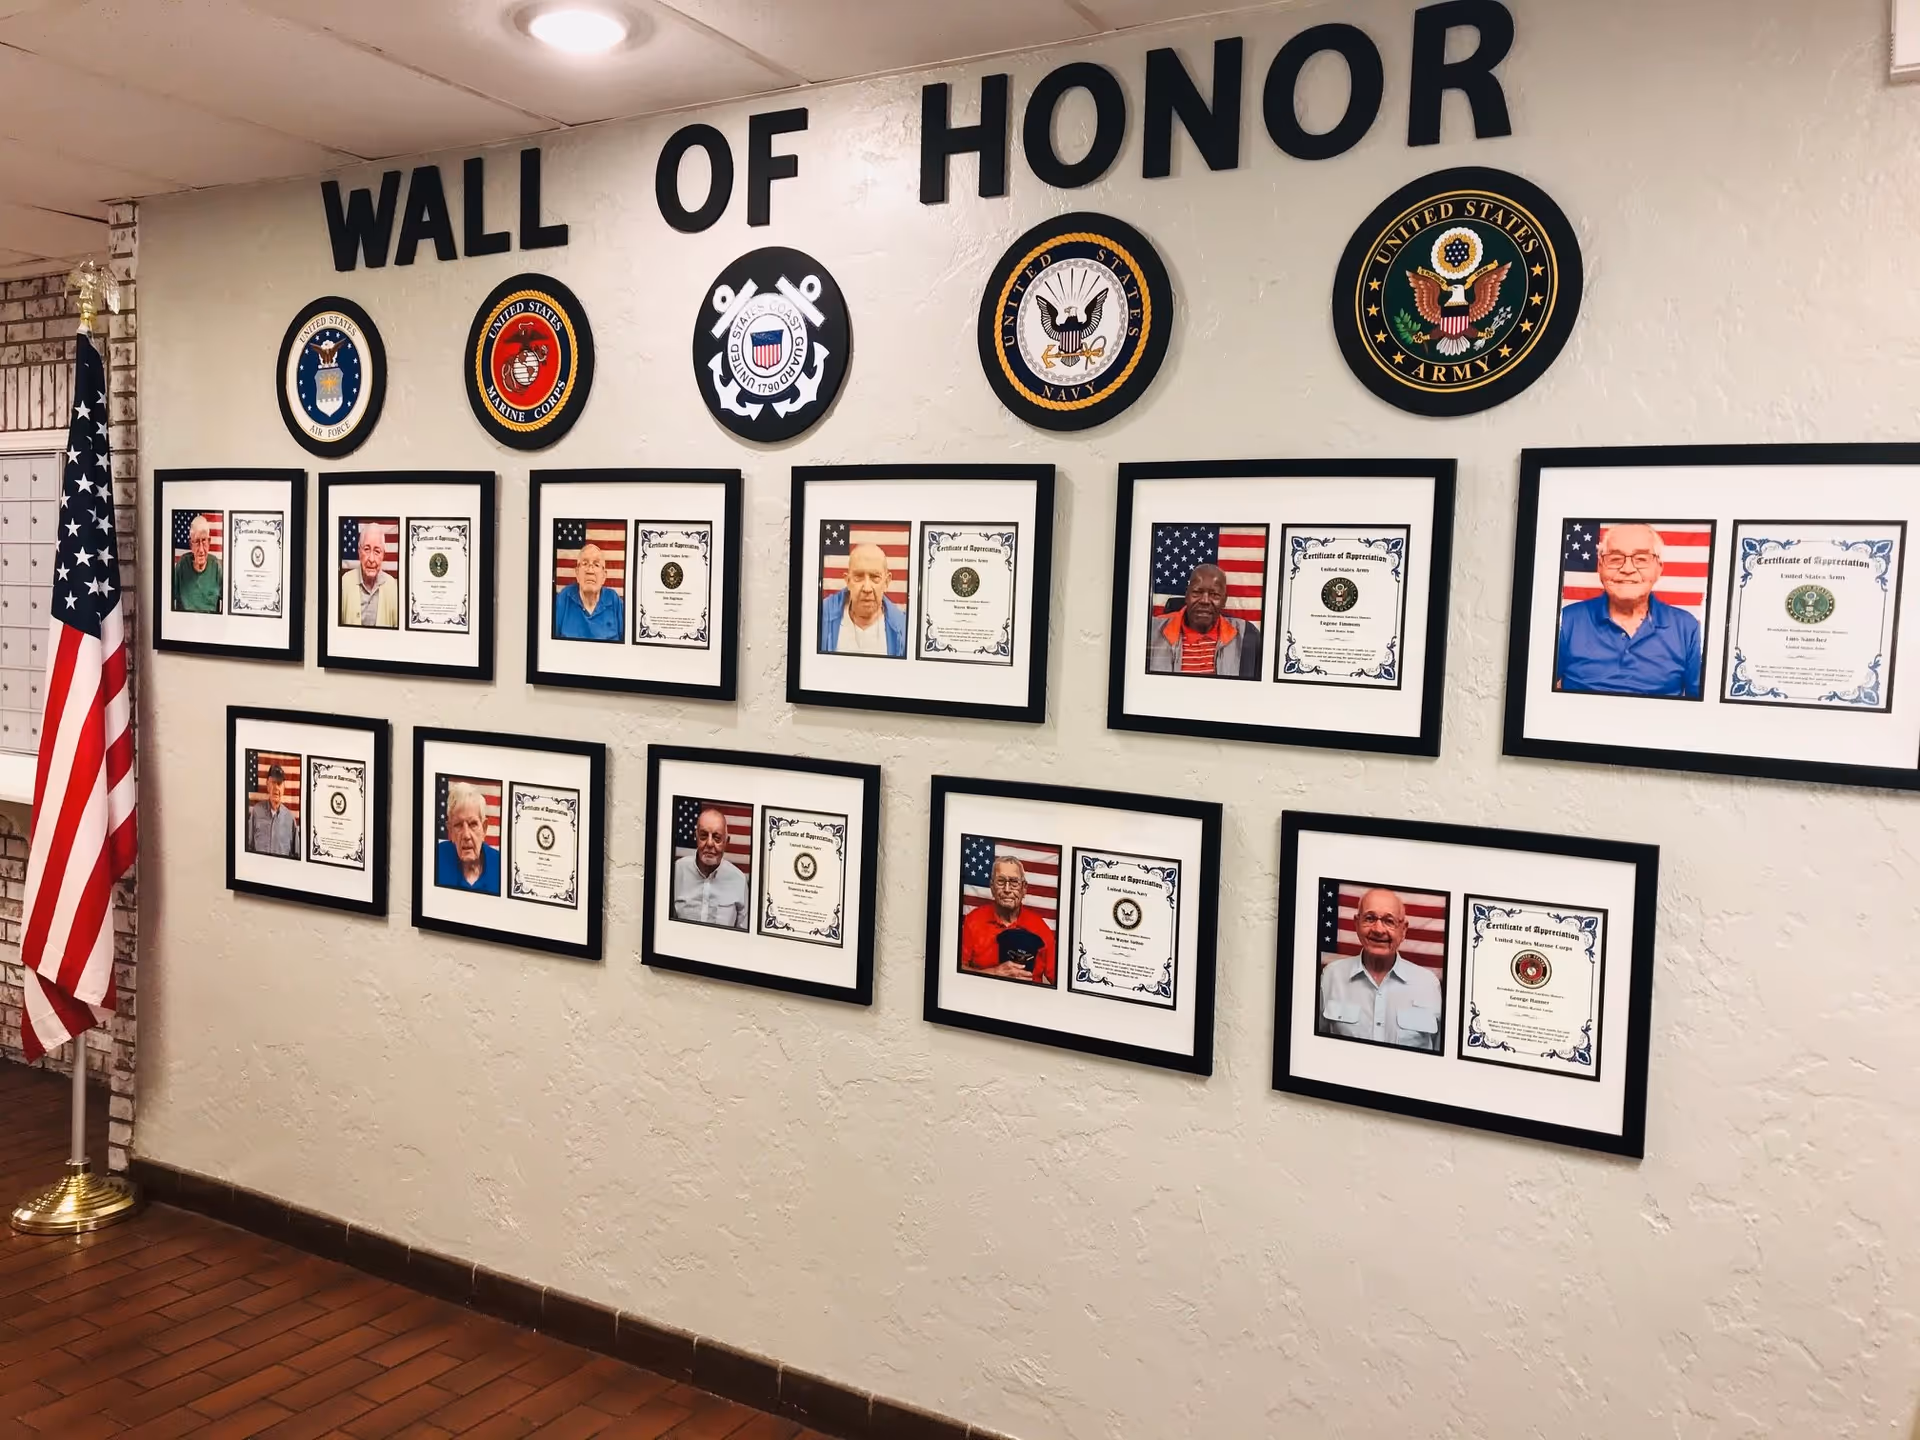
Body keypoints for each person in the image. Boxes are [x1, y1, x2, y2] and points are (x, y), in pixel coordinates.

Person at [1556, 523, 1703, 699]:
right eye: (1615, 558)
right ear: (1600, 566)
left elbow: (1700, 703)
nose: (1627, 569)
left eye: (1641, 559)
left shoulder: (1687, 627)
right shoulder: (1567, 621)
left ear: (1659, 568)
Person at [1318, 887, 1443, 1052]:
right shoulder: (1331, 976)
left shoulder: (1428, 984)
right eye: (1369, 918)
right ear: (1356, 923)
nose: (1378, 929)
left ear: (1403, 930)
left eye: (1389, 921)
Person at [1146, 562, 1261, 678]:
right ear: (1187, 595)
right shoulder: (1151, 631)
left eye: (1214, 595)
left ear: (1224, 600)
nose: (1205, 601)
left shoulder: (1248, 636)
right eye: (1197, 592)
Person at [958, 855, 1056, 985]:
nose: (1007, 889)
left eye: (1014, 882)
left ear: (1024, 889)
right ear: (992, 887)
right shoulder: (973, 921)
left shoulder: (1040, 928)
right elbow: (956, 969)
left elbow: (1059, 980)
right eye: (1001, 881)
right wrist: (993, 973)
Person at [819, 541, 906, 657]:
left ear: (886, 582)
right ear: (848, 581)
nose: (867, 588)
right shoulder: (820, 617)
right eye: (858, 577)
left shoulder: (904, 629)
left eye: (875, 577)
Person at [672, 804, 748, 929]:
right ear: (695, 837)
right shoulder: (676, 872)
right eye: (703, 835)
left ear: (726, 842)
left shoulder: (739, 880)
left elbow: (743, 933)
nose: (709, 843)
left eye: (717, 838)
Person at [434, 780, 500, 894]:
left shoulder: (500, 865)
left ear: (484, 828)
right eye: (458, 825)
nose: (466, 835)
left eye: (473, 824)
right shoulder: (436, 857)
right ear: (450, 831)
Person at [553, 541, 625, 641]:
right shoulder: (563, 599)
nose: (590, 571)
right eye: (585, 563)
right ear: (577, 572)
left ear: (604, 576)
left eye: (596, 565)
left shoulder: (614, 600)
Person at [340, 520, 398, 628]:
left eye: (377, 551)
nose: (371, 559)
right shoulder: (344, 583)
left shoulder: (393, 587)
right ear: (359, 551)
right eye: (366, 549)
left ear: (383, 555)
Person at [245, 763, 298, 859]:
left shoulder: (290, 820)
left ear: (284, 788)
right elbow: (248, 847)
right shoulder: (256, 812)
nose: (276, 788)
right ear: (267, 785)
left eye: (279, 783)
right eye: (273, 782)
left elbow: (296, 855)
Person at [172, 513, 222, 613]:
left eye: (204, 541)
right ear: (191, 545)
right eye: (196, 542)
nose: (201, 550)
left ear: (209, 542)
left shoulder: (217, 567)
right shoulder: (181, 566)